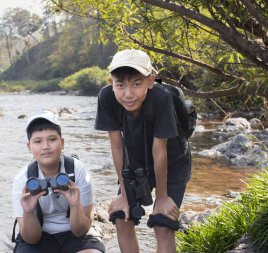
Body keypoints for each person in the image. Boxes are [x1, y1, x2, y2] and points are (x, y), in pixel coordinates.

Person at [95, 49, 192, 253]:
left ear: (150, 81)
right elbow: (117, 145)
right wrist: (122, 194)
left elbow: (159, 150)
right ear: (111, 82)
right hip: (135, 163)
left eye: (136, 84)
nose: (128, 94)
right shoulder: (106, 97)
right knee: (122, 218)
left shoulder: (161, 97)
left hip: (173, 163)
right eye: (120, 85)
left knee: (163, 224)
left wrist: (163, 197)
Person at [12, 110, 106, 253]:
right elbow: (31, 239)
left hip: (75, 235)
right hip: (41, 236)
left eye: (52, 139)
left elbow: (81, 231)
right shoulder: (22, 180)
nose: (46, 146)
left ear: (62, 142)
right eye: (38, 141)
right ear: (29, 147)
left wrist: (75, 205)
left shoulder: (78, 171)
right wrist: (29, 212)